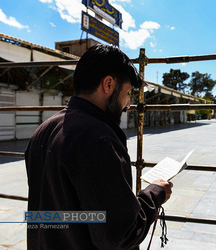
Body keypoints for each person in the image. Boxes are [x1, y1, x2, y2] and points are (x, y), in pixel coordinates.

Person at [25, 44, 173, 249]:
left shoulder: (43, 130)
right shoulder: (99, 140)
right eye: (128, 93)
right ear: (109, 84)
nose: (128, 104)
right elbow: (121, 234)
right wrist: (155, 194)